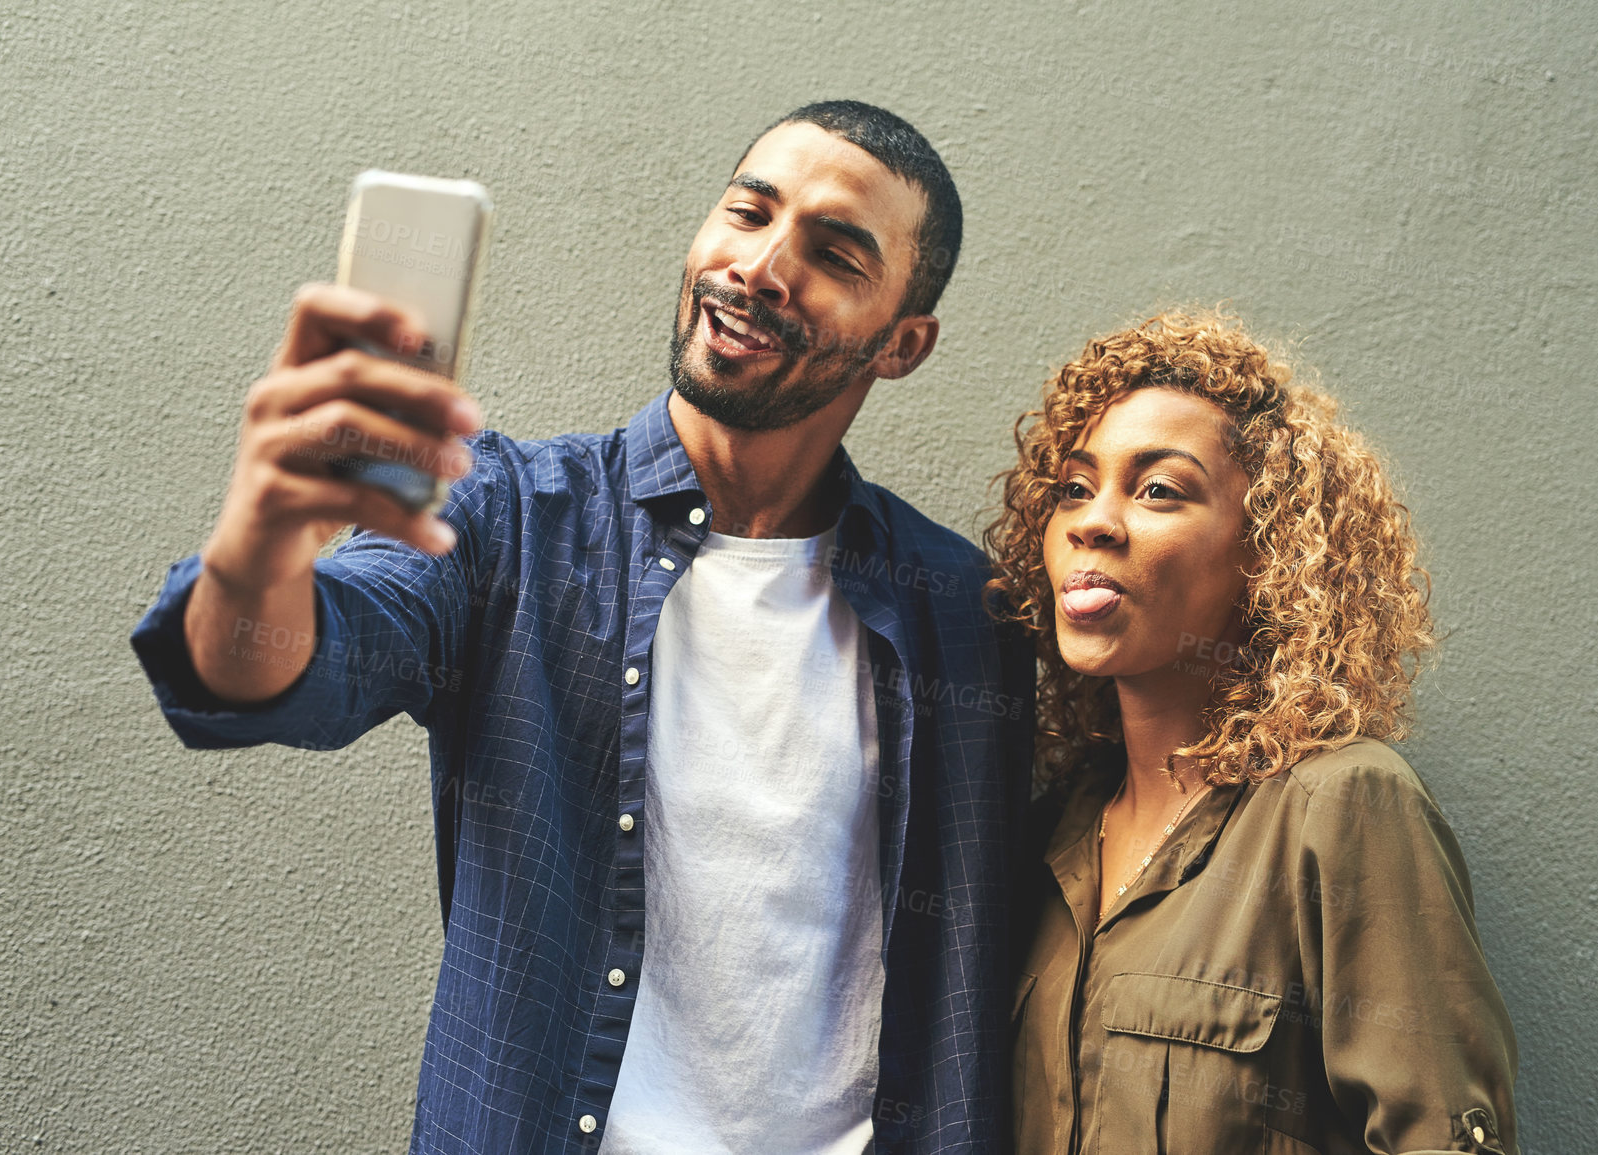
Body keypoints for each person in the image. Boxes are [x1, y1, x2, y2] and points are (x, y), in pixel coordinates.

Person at [130, 101, 1033, 1154]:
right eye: (748, 212)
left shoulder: (964, 613)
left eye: (833, 255)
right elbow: (273, 673)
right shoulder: (510, 518)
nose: (762, 266)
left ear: (903, 344)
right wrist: (262, 542)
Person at [984, 308, 1520, 1154]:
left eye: (1158, 489)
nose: (1092, 521)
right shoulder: (1052, 830)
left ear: (1269, 551)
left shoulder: (1341, 808)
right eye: (1073, 489)